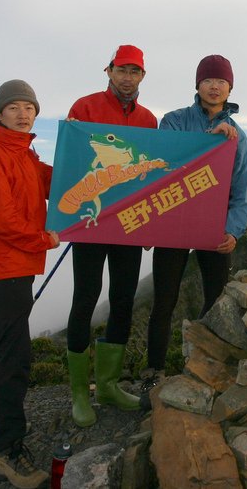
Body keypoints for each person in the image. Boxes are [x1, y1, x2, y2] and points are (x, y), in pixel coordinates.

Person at [140, 54, 247, 409]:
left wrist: (233, 231)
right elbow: (164, 167)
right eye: (208, 80)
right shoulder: (172, 122)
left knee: (216, 300)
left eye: (222, 81)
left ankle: (205, 365)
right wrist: (211, 141)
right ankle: (153, 372)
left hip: (214, 228)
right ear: (198, 85)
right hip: (174, 225)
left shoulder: (240, 138)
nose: (215, 86)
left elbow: (240, 190)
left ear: (230, 87)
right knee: (164, 302)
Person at [0, 79, 59, 489]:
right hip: (4, 265)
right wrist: (44, 239)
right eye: (14, 107)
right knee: (15, 356)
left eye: (30, 107)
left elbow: (54, 182)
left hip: (13, 264)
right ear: (0, 113)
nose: (23, 113)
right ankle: (8, 452)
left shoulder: (25, 155)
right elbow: (1, 221)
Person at [64, 44, 157, 427]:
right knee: (85, 298)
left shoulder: (150, 120)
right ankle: (77, 394)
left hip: (129, 225)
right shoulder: (84, 108)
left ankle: (108, 386)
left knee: (122, 299)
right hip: (90, 221)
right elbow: (71, 160)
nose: (127, 77)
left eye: (134, 71)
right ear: (108, 70)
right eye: (122, 70)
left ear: (142, 77)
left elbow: (153, 176)